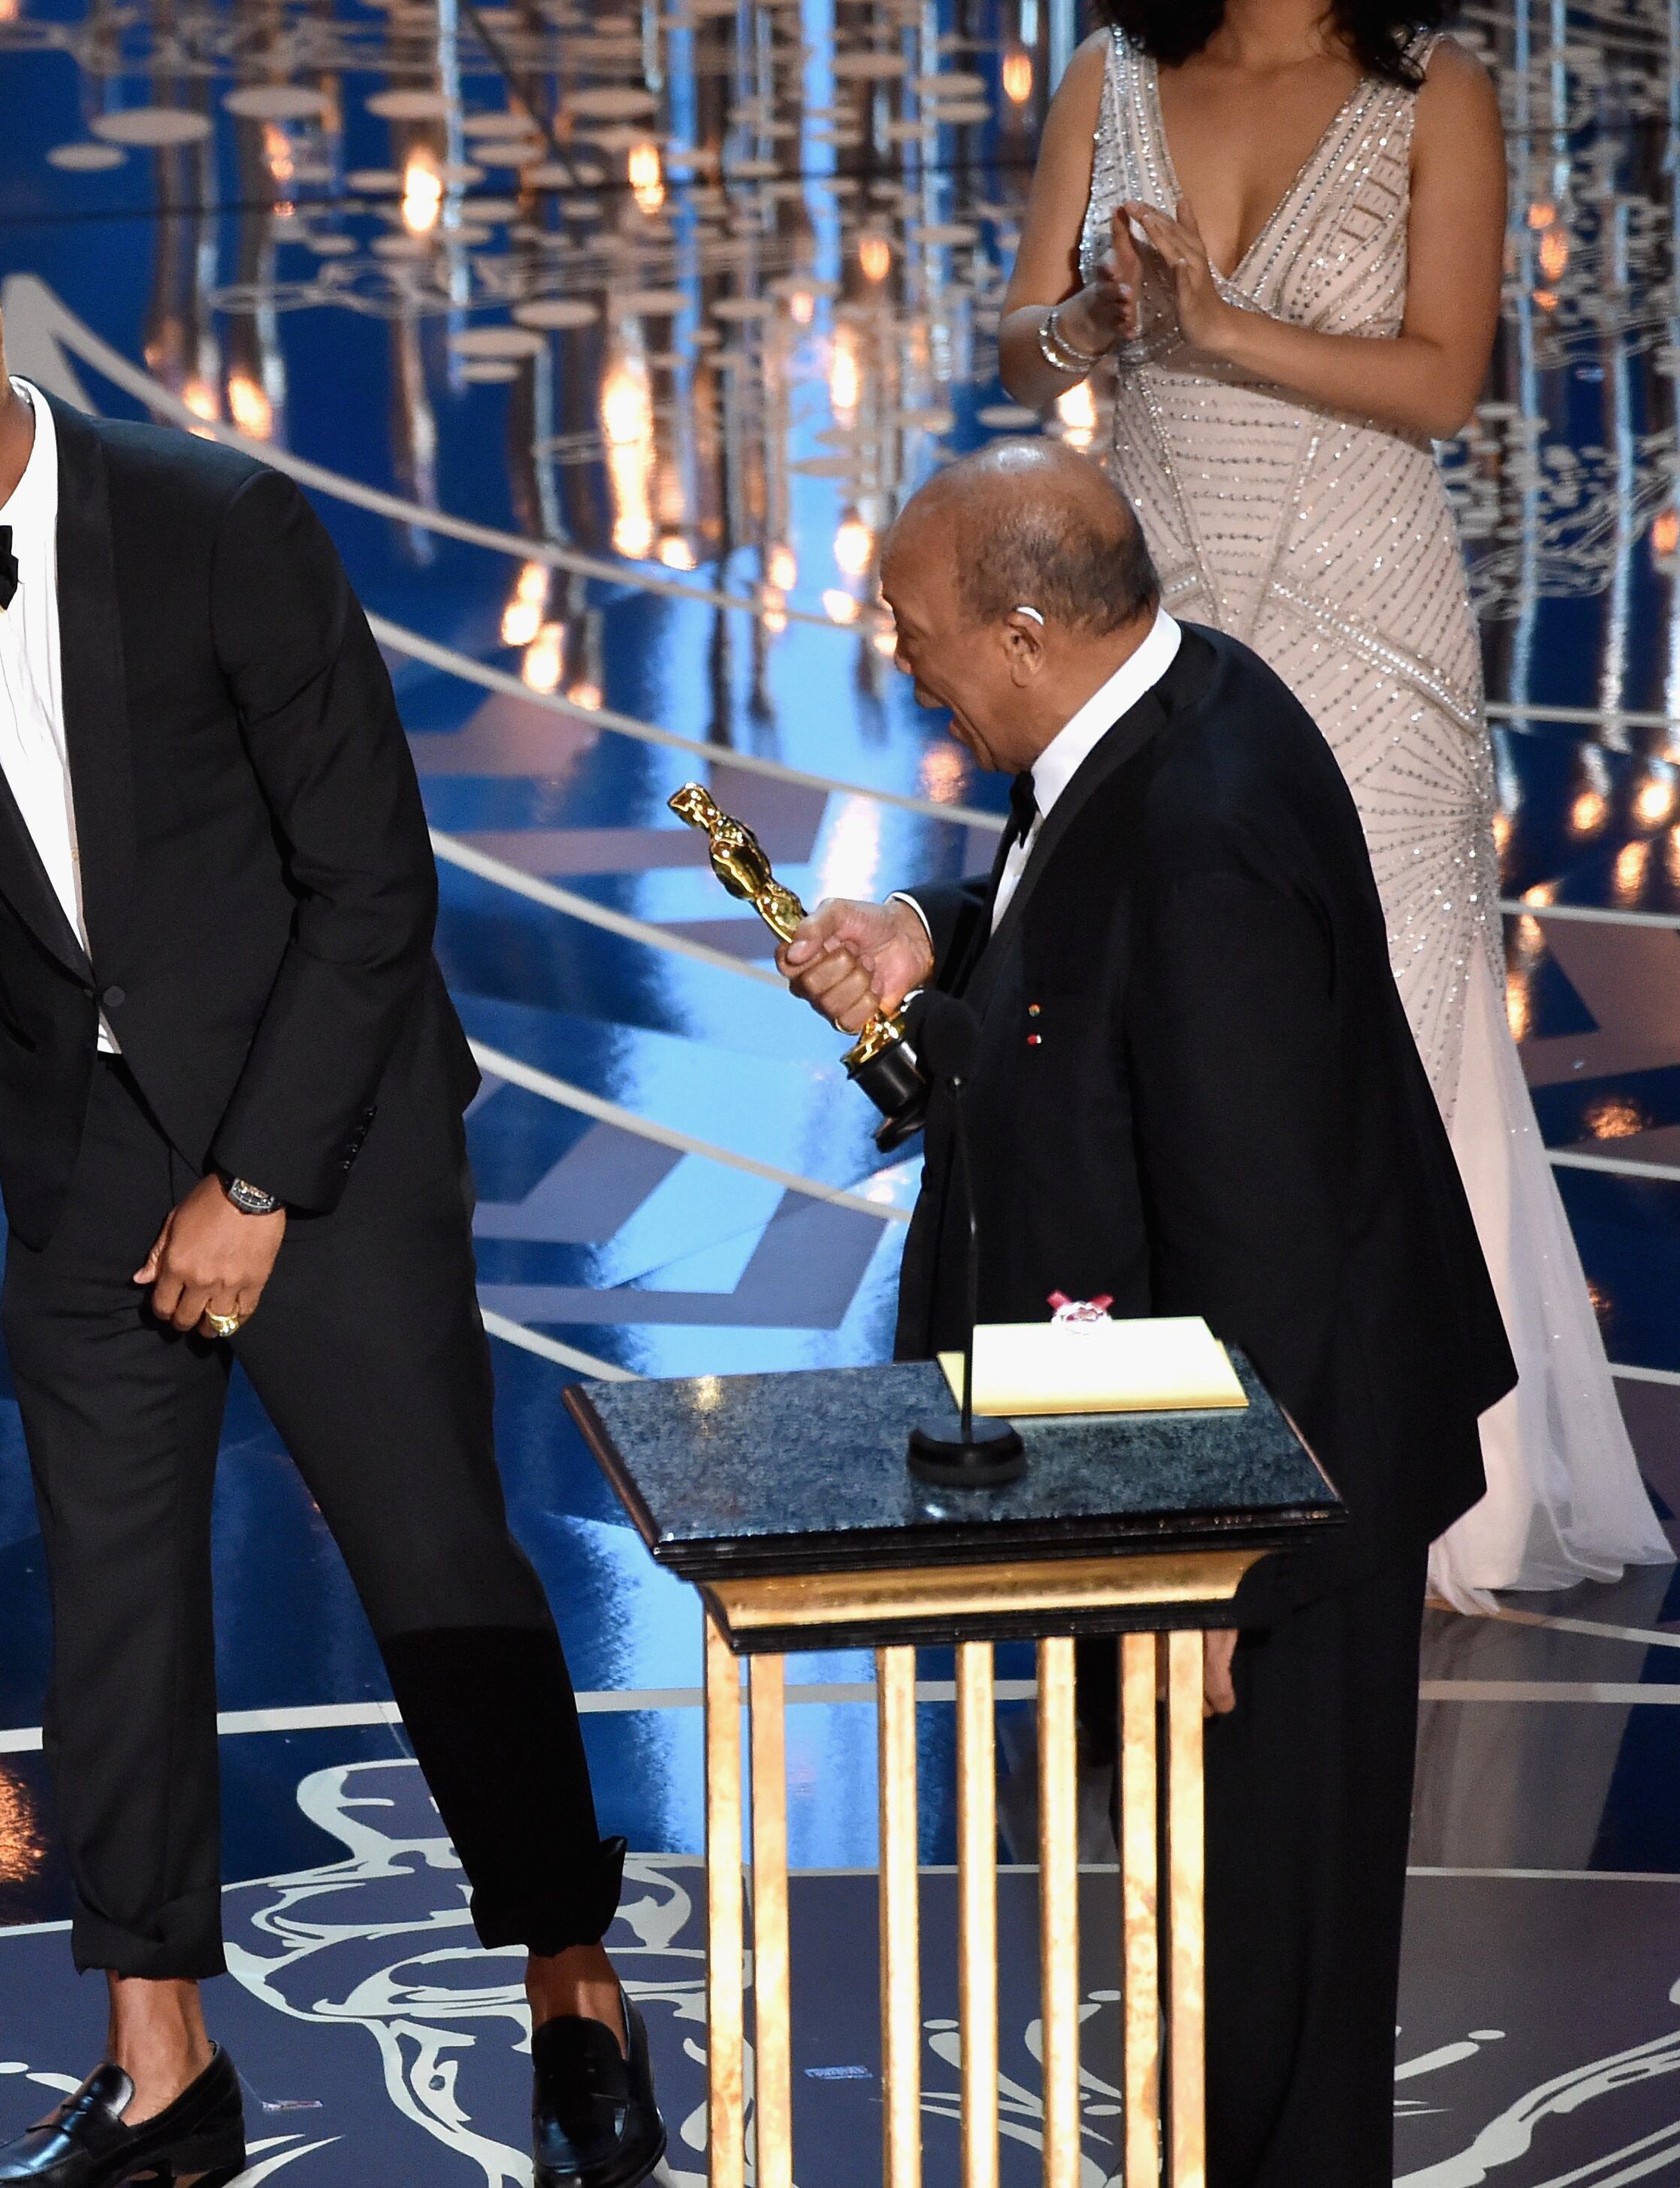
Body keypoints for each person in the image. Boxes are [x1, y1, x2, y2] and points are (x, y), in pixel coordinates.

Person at [0, 222, 662, 2188]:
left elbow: (371, 888)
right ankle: (164, 2067)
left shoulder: (225, 529)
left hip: (321, 1138)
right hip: (85, 1159)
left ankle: (569, 1980)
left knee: (441, 1566)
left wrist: (256, 1182)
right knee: (112, 1611)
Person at [781, 441, 1515, 2186]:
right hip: (1206, 1452)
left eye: (915, 632)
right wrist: (930, 933)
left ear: (1027, 632)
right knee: (1216, 1957)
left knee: (1273, 1990)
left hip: (1280, 1491)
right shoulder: (1165, 704)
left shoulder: (1205, 842)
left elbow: (1256, 1237)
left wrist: (1213, 1564)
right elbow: (1062, 933)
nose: (901, 662)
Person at [995, 0, 1667, 1607]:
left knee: (1389, 1033)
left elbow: (1443, 383)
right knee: (1141, 1029)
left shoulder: (1436, 93)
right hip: (1150, 614)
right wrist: (1096, 317)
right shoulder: (1112, 76)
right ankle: (1168, 1449)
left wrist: (1216, 329)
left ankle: (1412, 1481)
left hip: (1373, 632)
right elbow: (1024, 354)